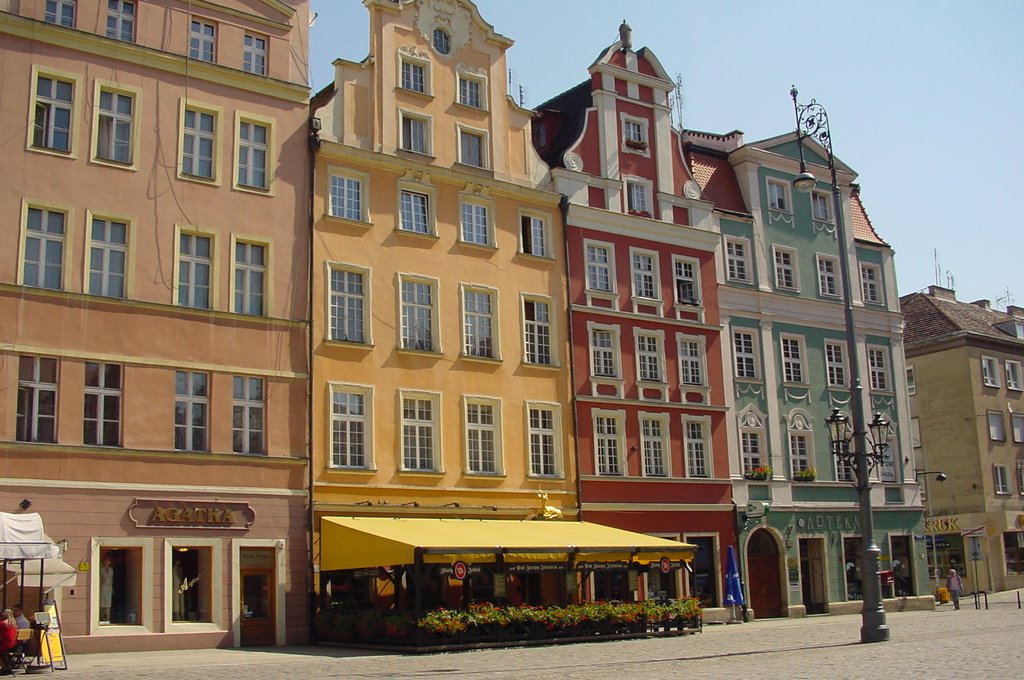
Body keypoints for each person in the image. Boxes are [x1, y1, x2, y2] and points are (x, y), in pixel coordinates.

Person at [0, 608, 17, 675]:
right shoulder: (14, 623)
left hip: (5, 646)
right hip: (14, 646)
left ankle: (4, 668)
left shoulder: (2, 623)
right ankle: (7, 667)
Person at [100, 555, 114, 623]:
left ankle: (108, 619)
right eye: (108, 560)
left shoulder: (111, 569)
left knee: (108, 603)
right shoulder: (101, 569)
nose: (109, 562)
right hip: (103, 586)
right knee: (102, 602)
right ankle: (102, 618)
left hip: (109, 586)